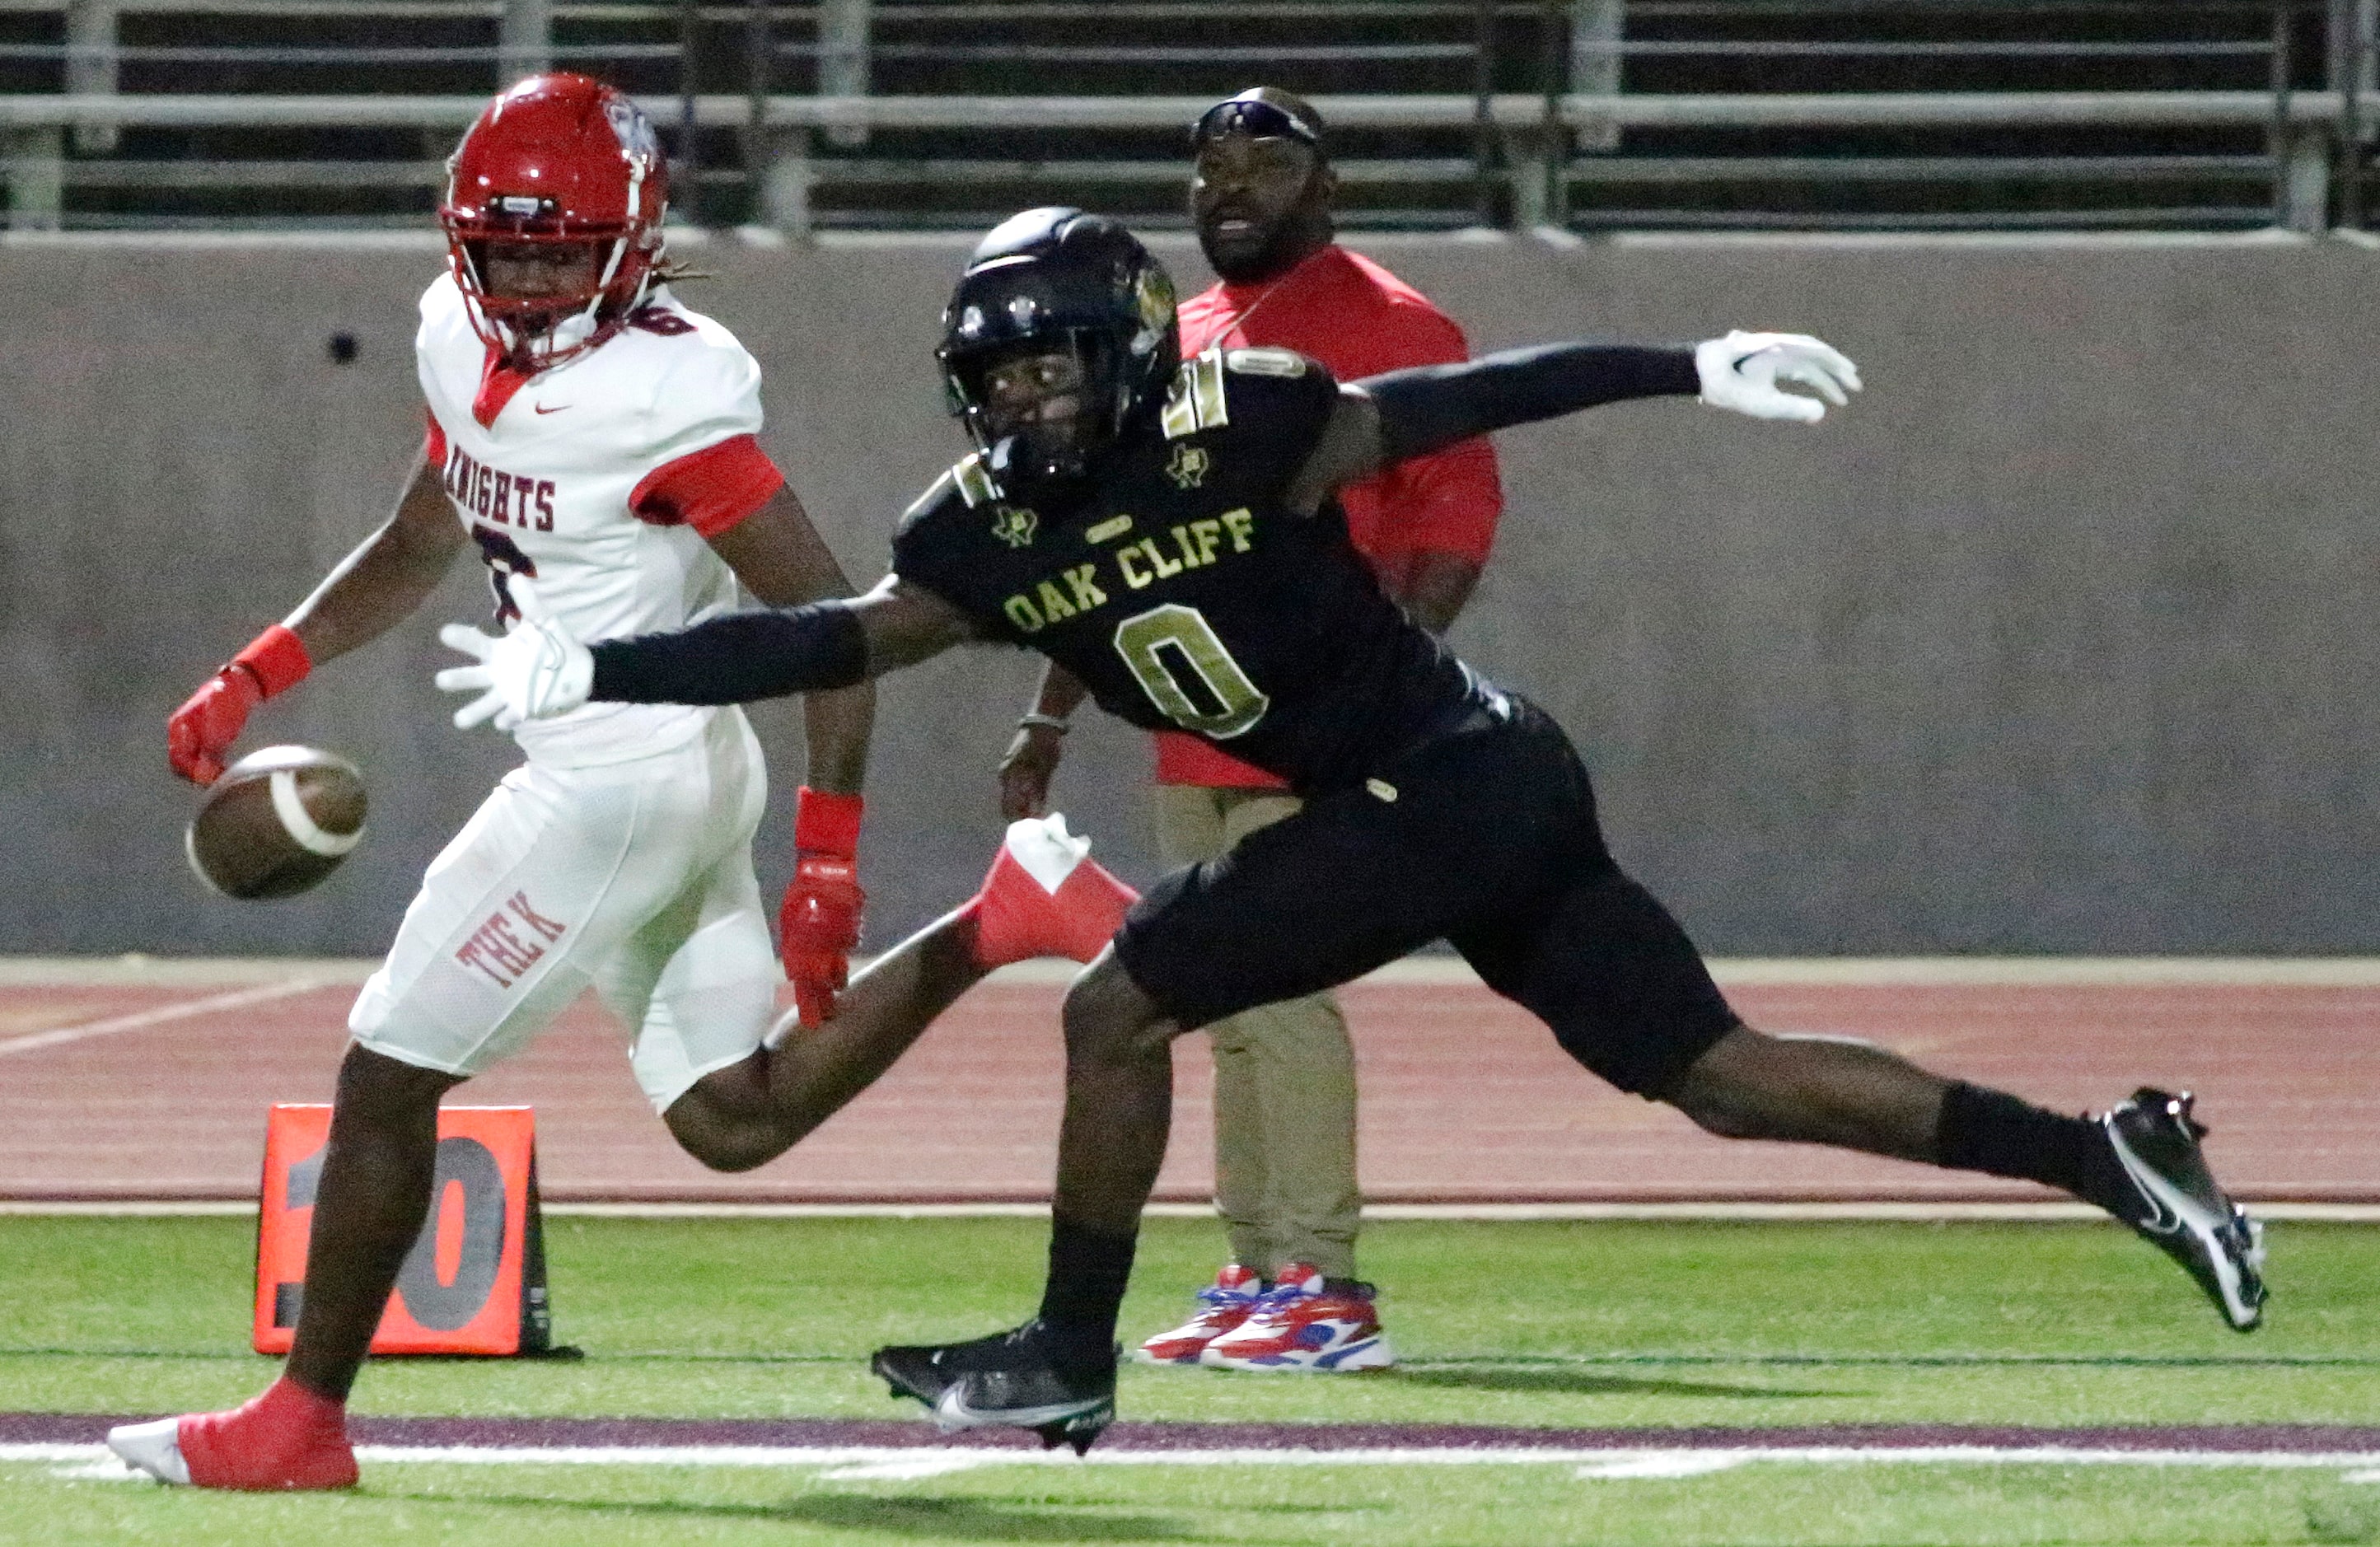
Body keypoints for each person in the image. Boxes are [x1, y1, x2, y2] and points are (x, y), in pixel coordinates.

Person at [435, 207, 2269, 1456]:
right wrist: (600, 661)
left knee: (1116, 1005)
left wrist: (1683, 367)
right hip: (1461, 784)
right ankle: (2112, 1158)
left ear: (1134, 354)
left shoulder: (1251, 425)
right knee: (1715, 1074)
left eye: (1055, 368)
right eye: (999, 377)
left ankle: (1066, 1362)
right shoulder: (979, 531)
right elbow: (832, 640)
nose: (1025, 401)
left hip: (1441, 781)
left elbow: (1468, 400)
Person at [106, 82, 1135, 1493]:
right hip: (657, 769)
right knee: (733, 1116)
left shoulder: (667, 395)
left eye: (562, 248)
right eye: (507, 247)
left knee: (387, 1073)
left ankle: (301, 1422)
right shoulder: (449, 333)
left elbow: (832, 622)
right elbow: (424, 533)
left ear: (636, 238)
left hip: (622, 781)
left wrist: (830, 855)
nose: (529, 278)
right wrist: (260, 668)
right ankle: (999, 918)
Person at [996, 89, 1504, 1375]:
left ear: (1324, 189)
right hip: (1196, 724)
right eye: (1212, 167)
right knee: (1211, 1002)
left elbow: (1453, 517)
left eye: (1265, 165)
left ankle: (1328, 1285)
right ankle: (1257, 1268)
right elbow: (1115, 548)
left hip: (1321, 726)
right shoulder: (1175, 337)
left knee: (1282, 1002)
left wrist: (1384, 693)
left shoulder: (1395, 323)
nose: (1231, 186)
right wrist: (1048, 710)